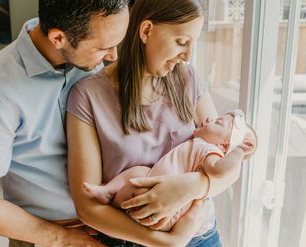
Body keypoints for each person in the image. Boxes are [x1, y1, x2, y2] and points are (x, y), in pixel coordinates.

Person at [66, 0, 255, 246]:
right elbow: (87, 206)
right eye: (181, 42)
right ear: (146, 31)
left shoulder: (188, 79)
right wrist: (166, 242)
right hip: (134, 240)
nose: (187, 56)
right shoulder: (88, 96)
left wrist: (191, 186)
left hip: (201, 236)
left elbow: (228, 158)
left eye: (192, 45)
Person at [0, 1, 131, 246]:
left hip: (116, 226)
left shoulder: (90, 60)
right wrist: (64, 238)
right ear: (59, 38)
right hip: (50, 235)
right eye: (104, 48)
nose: (114, 56)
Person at [83, 110, 256, 232]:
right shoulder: (199, 144)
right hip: (154, 182)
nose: (210, 118)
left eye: (218, 122)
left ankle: (109, 213)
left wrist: (239, 152)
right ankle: (107, 191)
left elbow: (219, 170)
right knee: (138, 172)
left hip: (168, 211)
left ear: (223, 146)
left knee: (136, 188)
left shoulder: (210, 151)